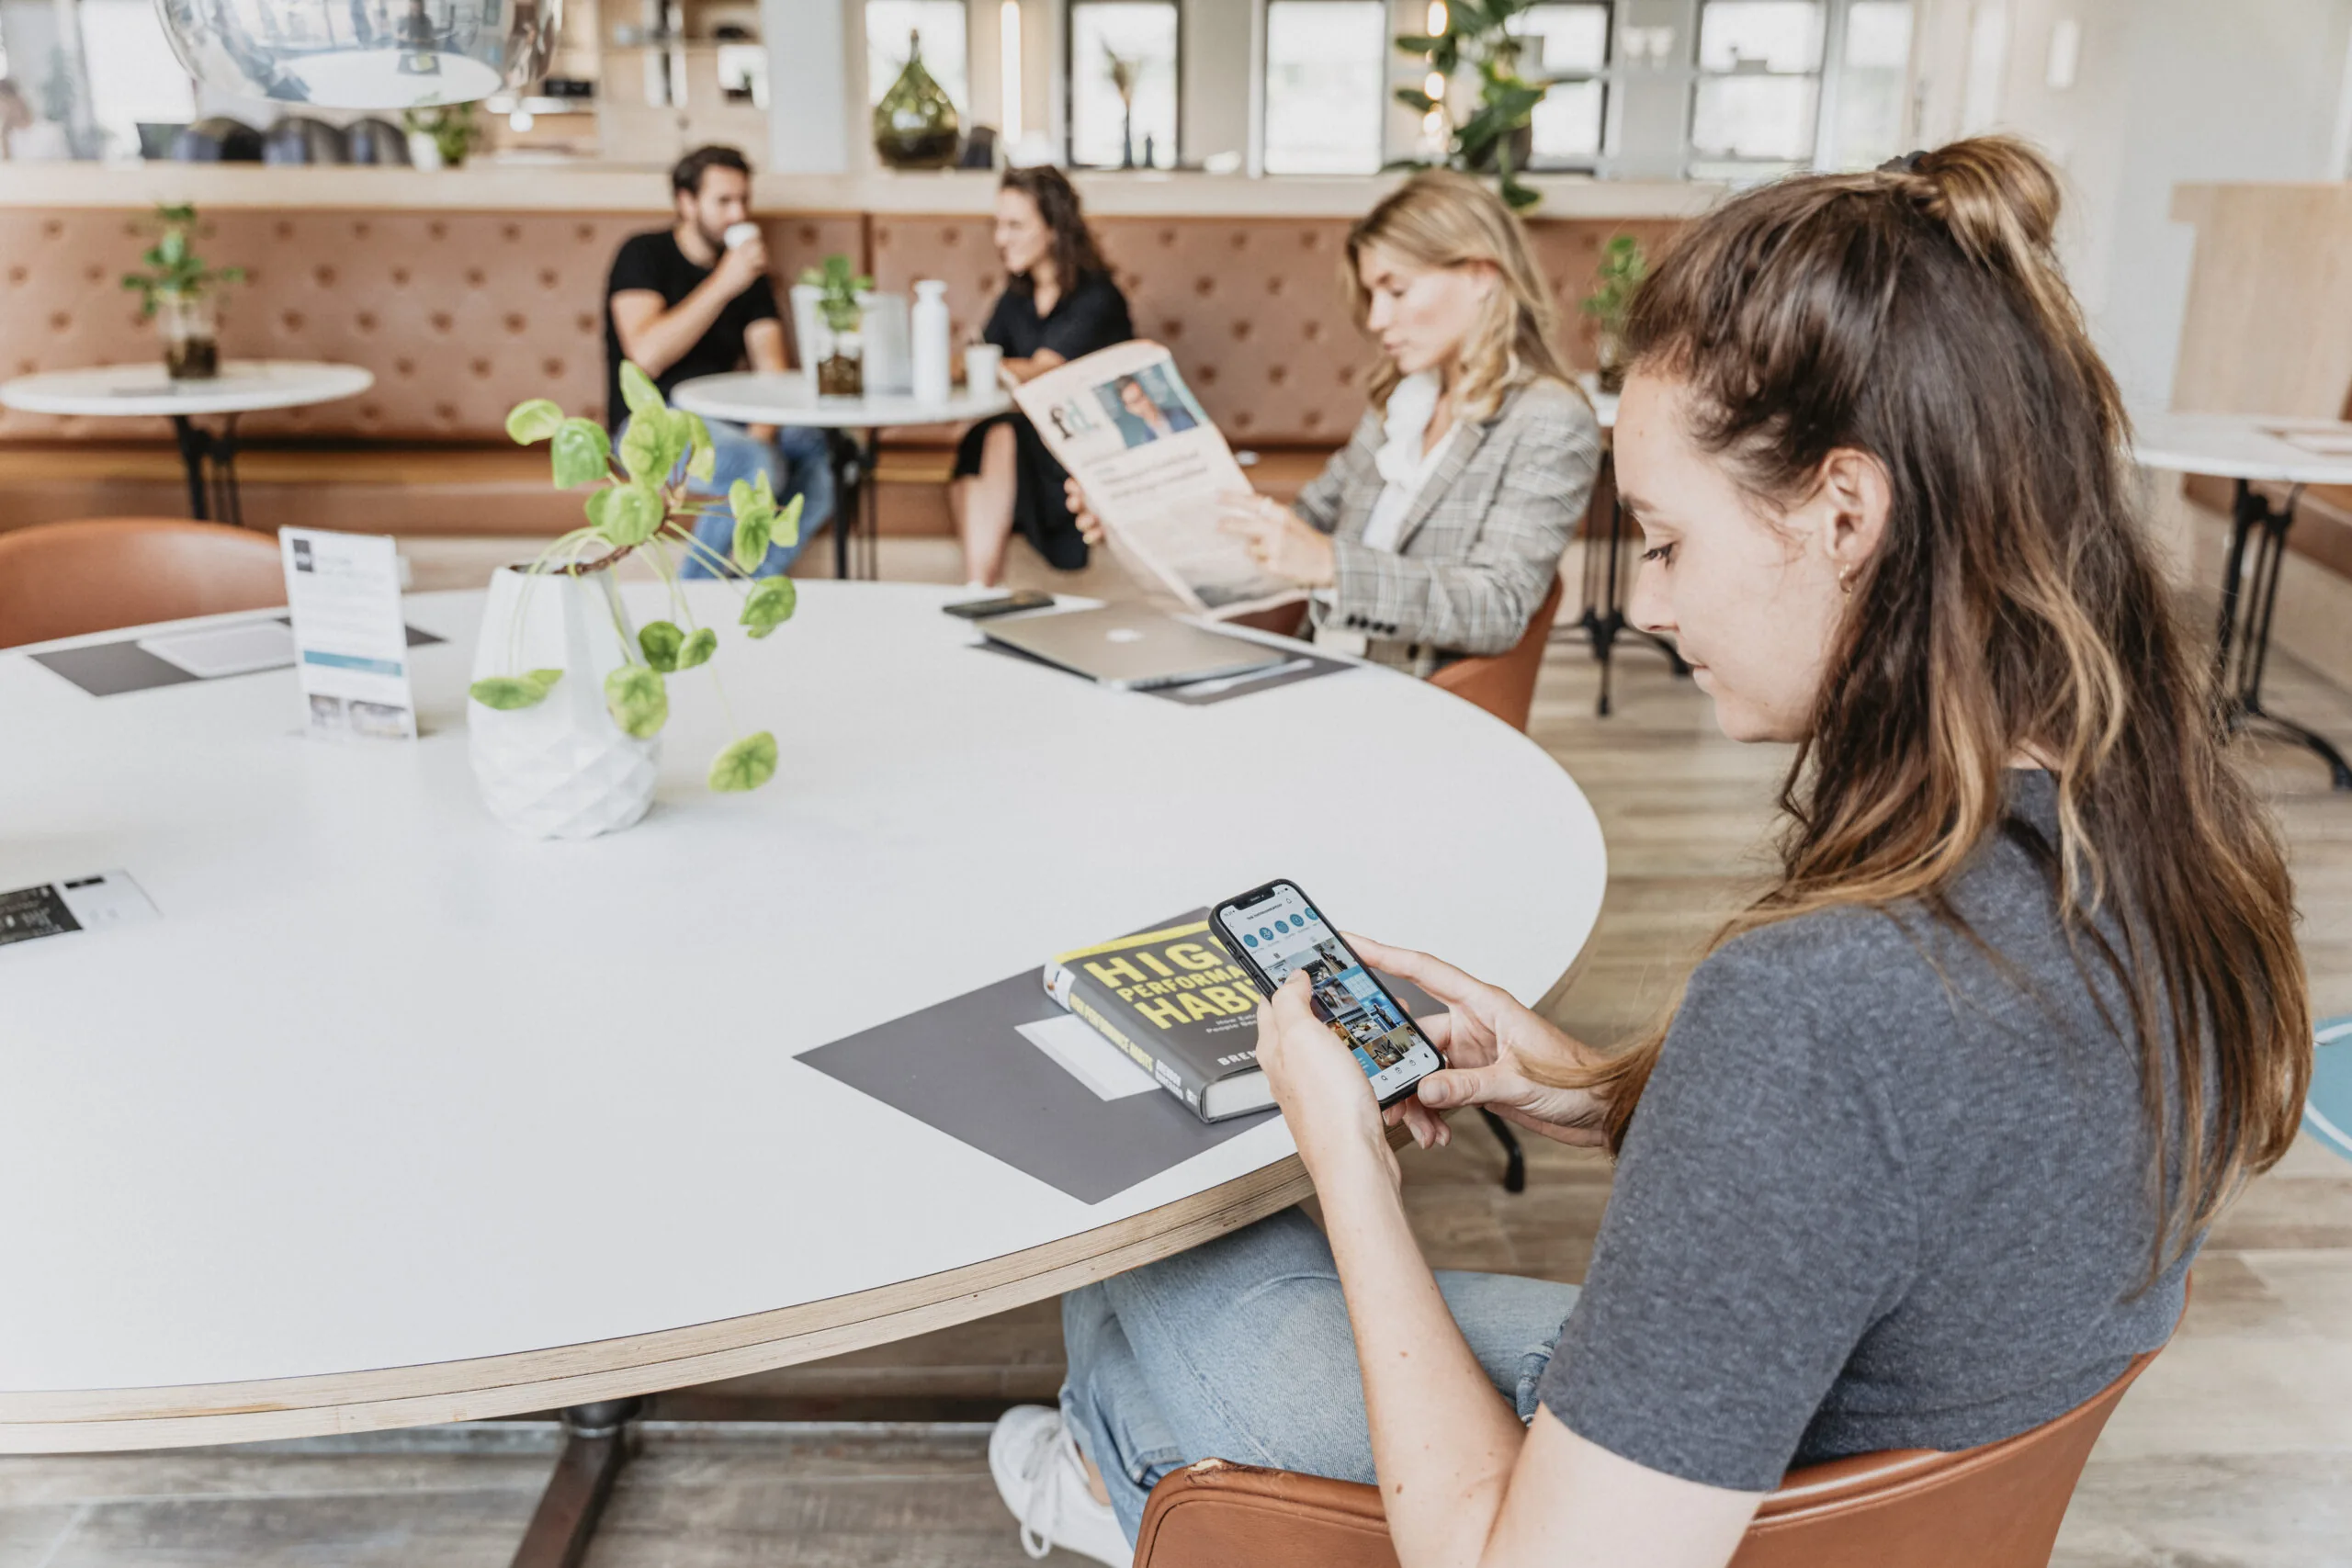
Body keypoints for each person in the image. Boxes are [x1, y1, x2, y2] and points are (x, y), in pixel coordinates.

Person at [990, 139, 2312, 1568]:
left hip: (1670, 1507)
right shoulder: (2164, 838)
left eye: (1668, 543)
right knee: (1147, 1278)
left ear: (1846, 514)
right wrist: (1581, 1081)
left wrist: (1345, 1165)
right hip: (1824, 1454)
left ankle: (1123, 1481)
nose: (1654, 603)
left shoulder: (1821, 1002)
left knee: (1147, 1266)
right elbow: (1905, 1166)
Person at [1070, 170, 1600, 675]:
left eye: (1396, 291)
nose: (1375, 320)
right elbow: (1308, 520)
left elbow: (1498, 607)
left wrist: (1331, 566)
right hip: (1319, 659)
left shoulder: (1550, 421)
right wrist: (1143, 513)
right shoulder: (1404, 402)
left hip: (1417, 702)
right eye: (1372, 296)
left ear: (1481, 275)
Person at [605, 144, 832, 579]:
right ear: (685, 202)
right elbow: (646, 356)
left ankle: (756, 582)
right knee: (751, 465)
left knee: (832, 452)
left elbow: (773, 372)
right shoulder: (643, 255)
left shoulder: (748, 274)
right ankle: (699, 591)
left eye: (744, 200)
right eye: (724, 201)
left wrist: (763, 435)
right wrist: (723, 283)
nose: (738, 214)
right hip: (652, 426)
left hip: (727, 422)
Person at [950, 165, 1135, 587]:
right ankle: (979, 585)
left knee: (999, 435)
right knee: (982, 439)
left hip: (1089, 438)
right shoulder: (1016, 297)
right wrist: (984, 364)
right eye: (998, 225)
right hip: (1031, 438)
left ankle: (979, 587)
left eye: (1015, 225)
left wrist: (989, 365)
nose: (1001, 239)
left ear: (1054, 229)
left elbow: (1045, 373)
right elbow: (972, 360)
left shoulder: (1096, 296)